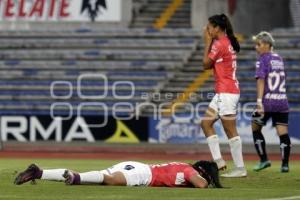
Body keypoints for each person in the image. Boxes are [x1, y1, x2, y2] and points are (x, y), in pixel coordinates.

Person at [201, 13, 247, 178]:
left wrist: (207, 42)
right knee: (206, 123)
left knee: (230, 131)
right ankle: (219, 162)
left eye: (209, 27)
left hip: (227, 92)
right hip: (225, 91)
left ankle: (240, 168)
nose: (207, 30)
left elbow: (206, 64)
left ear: (217, 28)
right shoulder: (227, 41)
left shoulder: (218, 44)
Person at [14, 160, 223, 188]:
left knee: (92, 176)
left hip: (135, 166)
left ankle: (40, 173)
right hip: (145, 174)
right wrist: (209, 181)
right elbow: (201, 185)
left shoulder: (183, 165)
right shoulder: (189, 169)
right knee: (110, 181)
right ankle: (75, 178)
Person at [251, 31, 291, 173]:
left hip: (267, 102)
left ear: (267, 45)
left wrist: (259, 102)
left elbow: (261, 80)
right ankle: (285, 165)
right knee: (283, 133)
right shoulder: (279, 58)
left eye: (259, 44)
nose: (256, 47)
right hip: (282, 101)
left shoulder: (262, 59)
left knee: (255, 128)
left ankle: (264, 160)